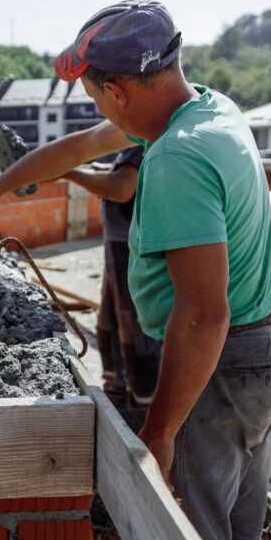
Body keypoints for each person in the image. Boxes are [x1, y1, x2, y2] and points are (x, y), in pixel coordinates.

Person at [0, 0, 271, 540]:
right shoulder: (205, 109)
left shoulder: (176, 158)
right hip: (267, 344)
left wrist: (162, 429)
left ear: (117, 90)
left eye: (93, 94)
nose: (96, 108)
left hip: (223, 363)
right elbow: (78, 148)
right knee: (241, 525)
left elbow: (202, 314)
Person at [65, 147, 159, 405]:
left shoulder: (143, 143)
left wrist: (70, 173)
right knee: (112, 323)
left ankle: (142, 403)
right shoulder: (133, 145)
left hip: (134, 252)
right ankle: (118, 391)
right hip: (120, 247)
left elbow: (122, 188)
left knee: (135, 328)